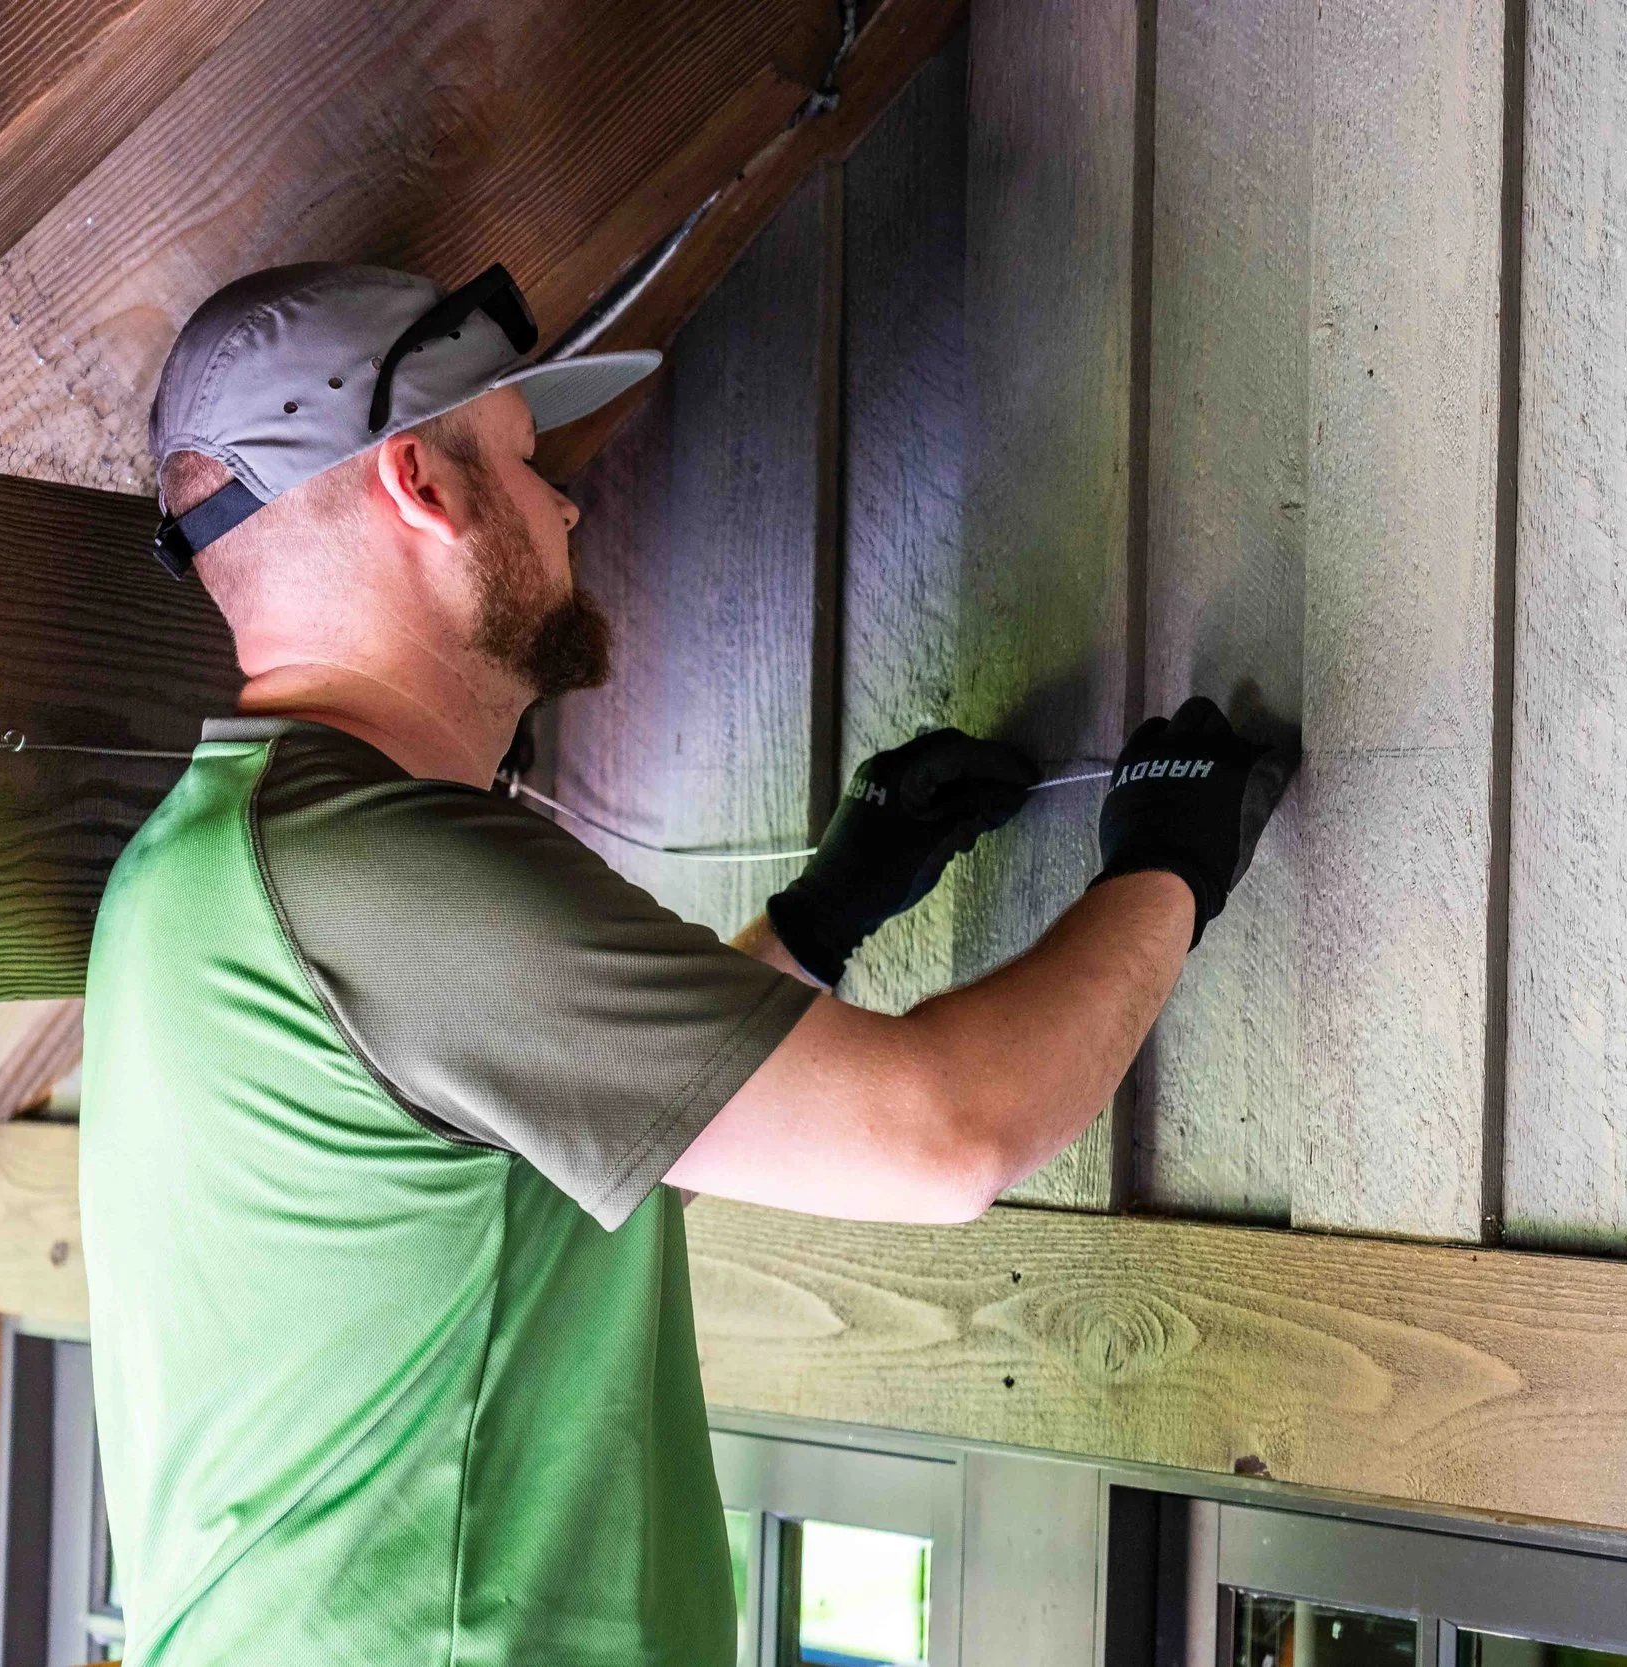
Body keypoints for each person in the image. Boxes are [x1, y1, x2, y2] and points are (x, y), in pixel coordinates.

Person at [82, 261, 1291, 1663]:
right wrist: (1166, 869)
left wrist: (819, 923)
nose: (567, 507)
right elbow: (949, 1134)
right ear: (421, 485)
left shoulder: (203, 870)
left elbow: (552, 1171)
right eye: (530, 464)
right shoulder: (371, 868)